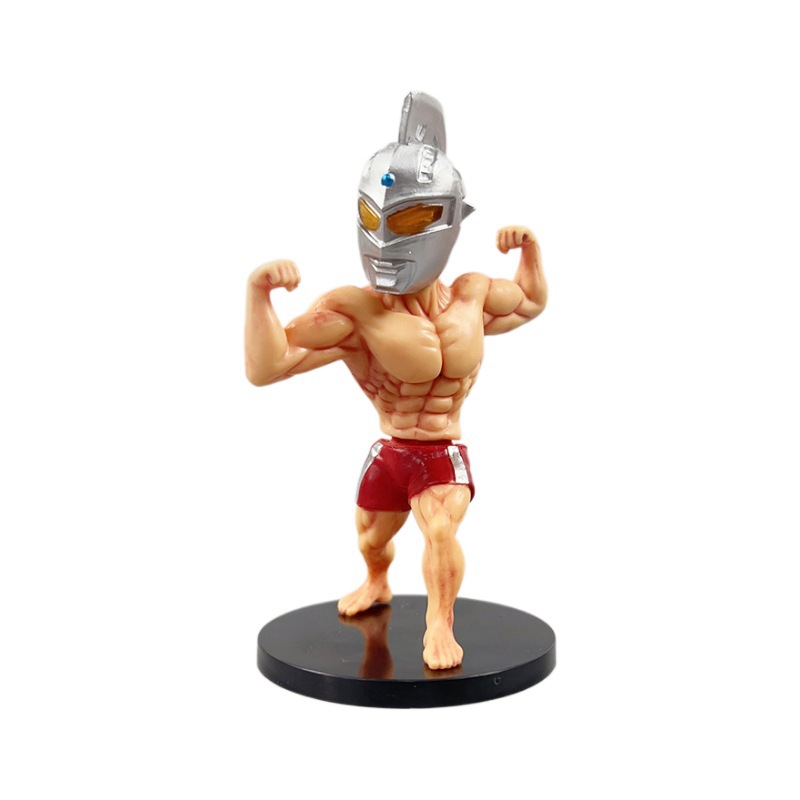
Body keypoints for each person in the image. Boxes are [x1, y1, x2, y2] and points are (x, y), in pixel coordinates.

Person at [245, 93, 546, 669]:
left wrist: (529, 250)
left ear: (447, 220)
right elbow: (268, 365)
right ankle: (376, 581)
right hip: (392, 448)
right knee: (371, 540)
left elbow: (530, 301)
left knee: (440, 529)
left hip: (442, 451)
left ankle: (439, 623)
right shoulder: (354, 312)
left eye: (407, 220)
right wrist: (258, 296)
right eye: (372, 218)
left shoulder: (473, 295)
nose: (385, 236)